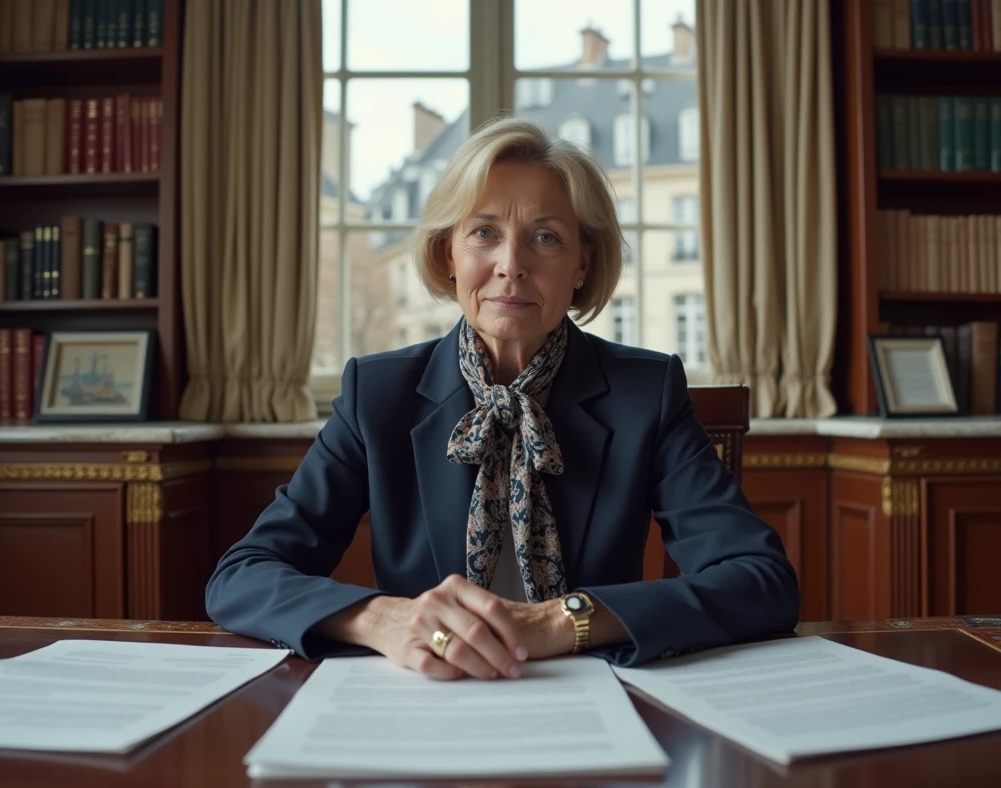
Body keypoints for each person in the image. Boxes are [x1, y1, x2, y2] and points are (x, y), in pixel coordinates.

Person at [206, 116, 799, 681]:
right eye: (483, 233)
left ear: (581, 263)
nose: (510, 266)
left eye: (546, 237)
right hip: (427, 701)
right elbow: (242, 576)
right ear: (449, 253)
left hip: (591, 694)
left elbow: (761, 579)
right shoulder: (377, 395)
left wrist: (561, 621)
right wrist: (386, 619)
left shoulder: (648, 392)